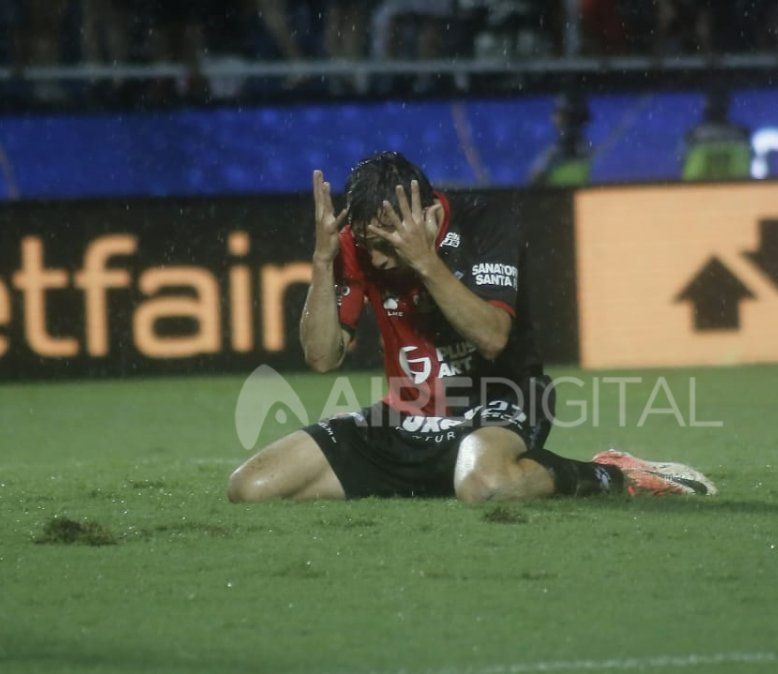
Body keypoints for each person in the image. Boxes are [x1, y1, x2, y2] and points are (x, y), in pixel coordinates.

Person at [228, 152, 716, 502]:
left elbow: (491, 336)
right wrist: (321, 261)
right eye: (368, 243)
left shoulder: (488, 224)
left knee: (487, 485)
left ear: (427, 214)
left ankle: (609, 474)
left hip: (504, 401)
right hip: (410, 416)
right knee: (252, 486)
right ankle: (449, 472)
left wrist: (423, 261)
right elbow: (320, 357)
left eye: (390, 243)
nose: (377, 257)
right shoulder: (359, 245)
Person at [681, 88, 751, 182]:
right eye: (712, 102)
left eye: (718, 102)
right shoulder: (693, 136)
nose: (715, 106)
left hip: (735, 190)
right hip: (699, 191)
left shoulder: (693, 135)